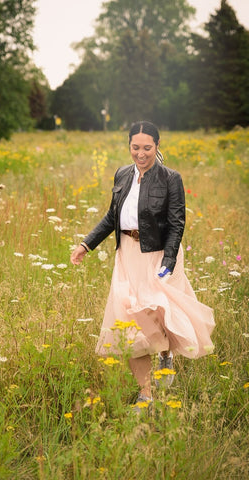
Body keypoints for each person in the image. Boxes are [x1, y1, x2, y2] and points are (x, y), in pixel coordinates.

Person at [70, 120, 215, 410]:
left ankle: (165, 353)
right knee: (130, 323)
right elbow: (112, 217)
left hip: (158, 255)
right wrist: (86, 244)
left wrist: (170, 261)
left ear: (157, 147)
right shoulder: (122, 174)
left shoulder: (171, 178)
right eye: (135, 147)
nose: (141, 153)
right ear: (129, 147)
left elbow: (176, 223)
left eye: (147, 147)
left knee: (158, 313)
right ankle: (146, 393)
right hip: (127, 257)